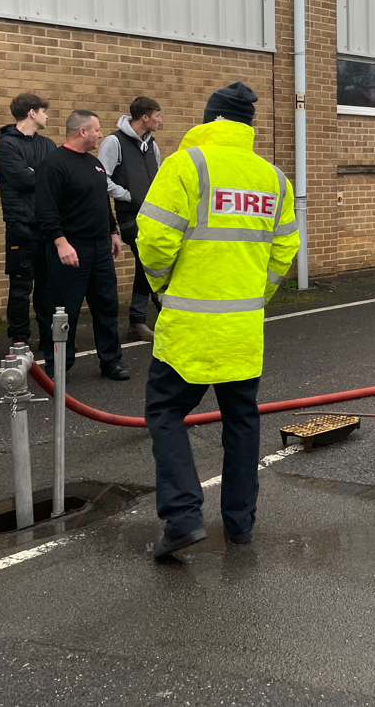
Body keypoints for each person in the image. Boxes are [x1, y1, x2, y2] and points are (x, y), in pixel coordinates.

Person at [138, 82, 299, 557]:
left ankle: (183, 519)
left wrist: (163, 288)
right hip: (243, 330)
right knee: (242, 423)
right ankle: (240, 525)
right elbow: (284, 251)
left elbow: (153, 240)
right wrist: (257, 295)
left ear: (209, 121)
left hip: (188, 329)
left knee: (166, 413)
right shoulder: (274, 179)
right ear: (248, 127)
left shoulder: (185, 166)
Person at [34, 110, 129, 380]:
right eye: (97, 130)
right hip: (71, 249)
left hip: (100, 249)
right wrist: (61, 243)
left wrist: (112, 231)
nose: (101, 134)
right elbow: (45, 211)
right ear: (83, 132)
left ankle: (111, 361)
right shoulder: (54, 165)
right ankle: (58, 365)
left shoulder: (95, 164)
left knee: (107, 305)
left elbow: (101, 201)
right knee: (64, 309)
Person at [0, 94, 57, 352]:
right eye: (44, 111)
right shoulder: (7, 146)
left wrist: (37, 173)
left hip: (46, 225)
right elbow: (26, 180)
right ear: (32, 112)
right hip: (20, 225)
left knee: (46, 285)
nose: (47, 116)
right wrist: (38, 175)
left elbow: (55, 178)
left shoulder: (48, 144)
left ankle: (47, 336)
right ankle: (19, 338)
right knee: (21, 286)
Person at [99, 97, 164, 342]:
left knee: (144, 266)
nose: (160, 120)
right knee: (151, 264)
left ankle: (137, 321)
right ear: (144, 117)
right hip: (129, 217)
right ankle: (166, 316)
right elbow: (102, 178)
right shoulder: (114, 142)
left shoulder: (152, 146)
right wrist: (128, 196)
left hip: (151, 216)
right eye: (157, 115)